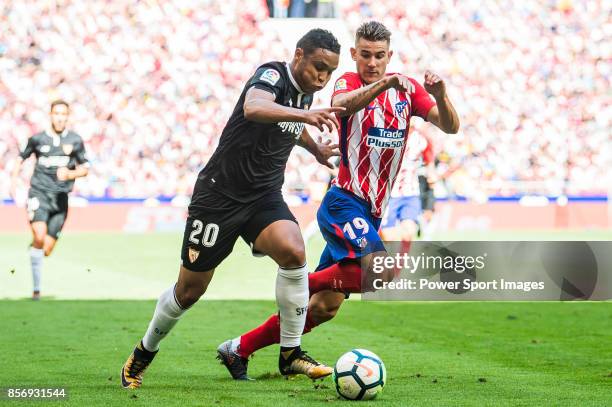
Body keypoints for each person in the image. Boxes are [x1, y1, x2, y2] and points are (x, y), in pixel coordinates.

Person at [217, 21, 459, 379]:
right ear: (355, 54)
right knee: (379, 273)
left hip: (372, 211)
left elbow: (450, 125)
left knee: (323, 308)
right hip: (344, 201)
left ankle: (238, 348)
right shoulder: (348, 81)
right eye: (365, 55)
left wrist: (439, 95)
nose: (372, 63)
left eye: (379, 56)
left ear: (389, 55)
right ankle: (297, 281)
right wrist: (384, 83)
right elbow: (341, 106)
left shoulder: (406, 91)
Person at [121, 28, 344, 389]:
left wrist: (314, 149)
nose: (323, 76)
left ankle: (291, 352)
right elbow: (254, 108)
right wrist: (305, 117)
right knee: (189, 290)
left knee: (293, 250)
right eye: (319, 66)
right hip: (218, 197)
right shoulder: (272, 75)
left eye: (330, 71)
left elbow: (288, 124)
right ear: (299, 54)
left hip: (263, 196)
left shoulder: (304, 94)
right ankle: (144, 352)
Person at [10, 100, 89, 300]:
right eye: (56, 113)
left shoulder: (75, 140)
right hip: (39, 194)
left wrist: (70, 175)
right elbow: (20, 159)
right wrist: (13, 183)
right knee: (39, 235)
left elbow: (85, 168)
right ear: (51, 115)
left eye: (64, 114)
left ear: (68, 116)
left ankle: (35, 251)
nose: (60, 117)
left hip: (61, 199)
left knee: (46, 248)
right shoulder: (37, 139)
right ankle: (36, 291)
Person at [380, 131, 434, 243]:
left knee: (409, 231)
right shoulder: (387, 133)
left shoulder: (421, 139)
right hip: (390, 194)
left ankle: (402, 260)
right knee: (387, 238)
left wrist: (431, 174)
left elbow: (430, 162)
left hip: (411, 193)